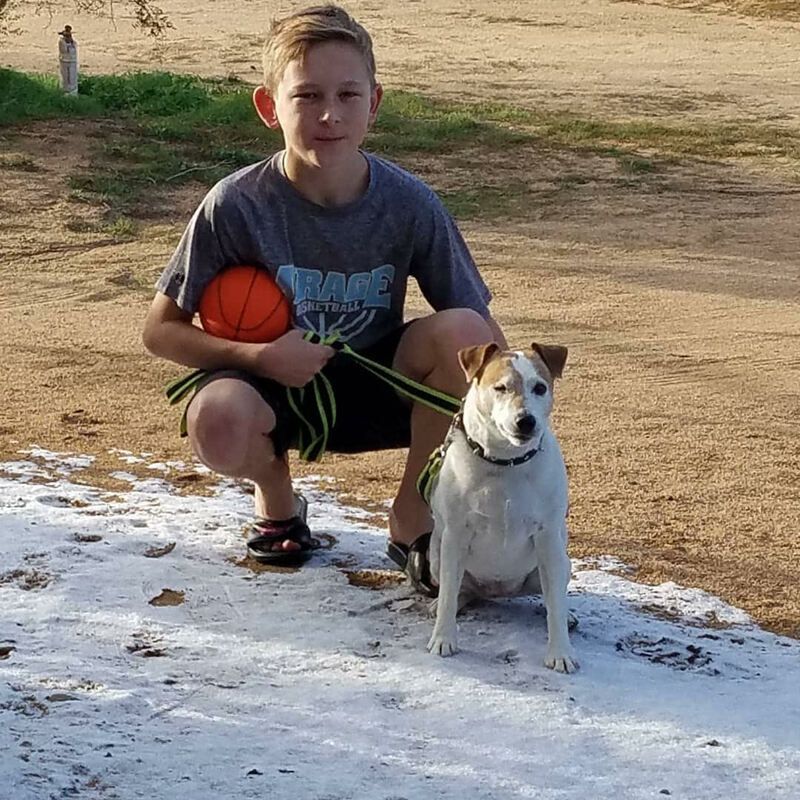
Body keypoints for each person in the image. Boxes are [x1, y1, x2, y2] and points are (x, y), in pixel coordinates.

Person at [142, 4, 506, 590]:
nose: (329, 114)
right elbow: (160, 330)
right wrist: (261, 358)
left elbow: (486, 336)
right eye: (307, 95)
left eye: (347, 94)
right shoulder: (236, 203)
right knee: (216, 419)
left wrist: (517, 429)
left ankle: (412, 514)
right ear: (269, 106)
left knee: (467, 335)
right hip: (274, 385)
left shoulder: (410, 203)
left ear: (374, 103)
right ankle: (277, 497)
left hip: (377, 385)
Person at [58, 25, 78, 95]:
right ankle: (65, 90)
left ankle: (72, 91)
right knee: (65, 77)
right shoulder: (61, 42)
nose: (68, 37)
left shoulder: (73, 43)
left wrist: (71, 42)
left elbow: (73, 50)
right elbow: (64, 50)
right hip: (64, 62)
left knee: (72, 77)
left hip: (72, 62)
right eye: (66, 36)